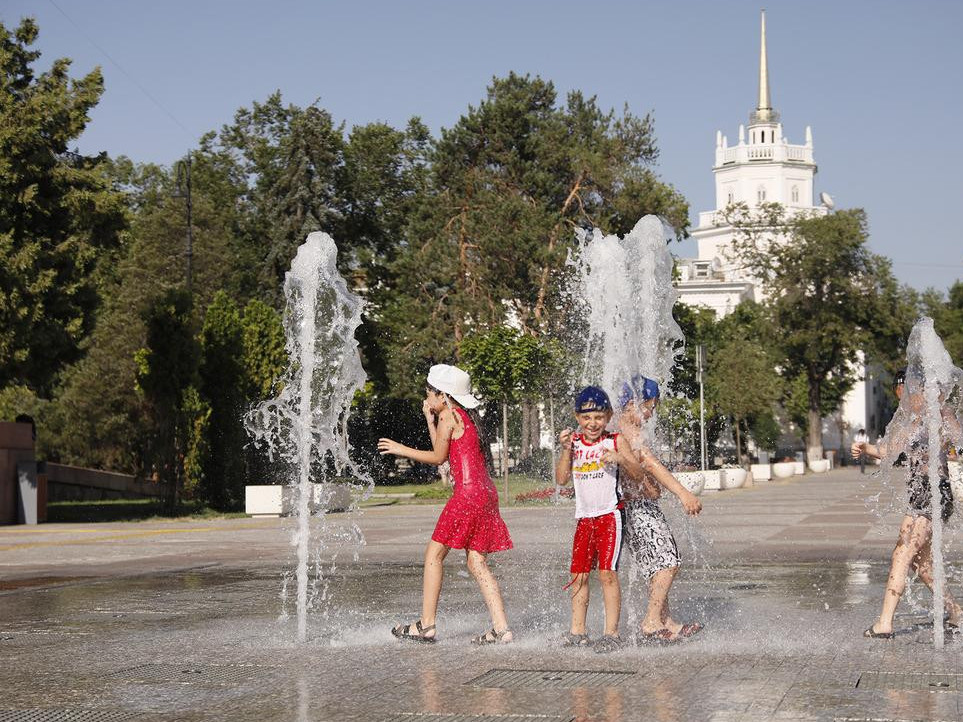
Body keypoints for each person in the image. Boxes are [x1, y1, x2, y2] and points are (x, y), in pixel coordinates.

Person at [378, 364, 514, 645]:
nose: (426, 397)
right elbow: (445, 448)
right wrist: (430, 420)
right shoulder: (463, 415)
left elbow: (438, 457)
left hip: (466, 495)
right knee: (477, 563)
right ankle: (502, 629)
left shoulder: (449, 416)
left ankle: (426, 625)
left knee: (433, 556)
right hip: (486, 494)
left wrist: (400, 449)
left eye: (429, 392)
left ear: (443, 396)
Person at [851, 367, 962, 638]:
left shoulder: (940, 413)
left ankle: (884, 623)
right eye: (899, 393)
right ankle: (956, 612)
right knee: (920, 563)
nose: (904, 397)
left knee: (902, 553)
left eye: (907, 391)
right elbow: (889, 452)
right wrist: (866, 449)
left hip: (935, 491)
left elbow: (959, 440)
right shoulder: (908, 421)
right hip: (919, 494)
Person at [555, 385, 649, 653]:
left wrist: (619, 458)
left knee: (607, 574)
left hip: (609, 515)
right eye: (586, 418)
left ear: (607, 416)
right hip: (584, 517)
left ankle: (611, 633)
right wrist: (564, 450)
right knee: (579, 576)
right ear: (577, 418)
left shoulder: (615, 440)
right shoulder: (573, 443)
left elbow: (639, 474)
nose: (592, 423)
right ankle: (578, 631)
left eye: (598, 417)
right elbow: (561, 480)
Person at [616, 375, 704, 643]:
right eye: (649, 407)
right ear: (633, 403)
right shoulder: (628, 430)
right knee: (669, 563)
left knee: (656, 566)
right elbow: (651, 464)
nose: (651, 414)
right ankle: (651, 622)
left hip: (634, 508)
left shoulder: (622, 427)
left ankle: (667, 621)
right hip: (638, 509)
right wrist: (683, 493)